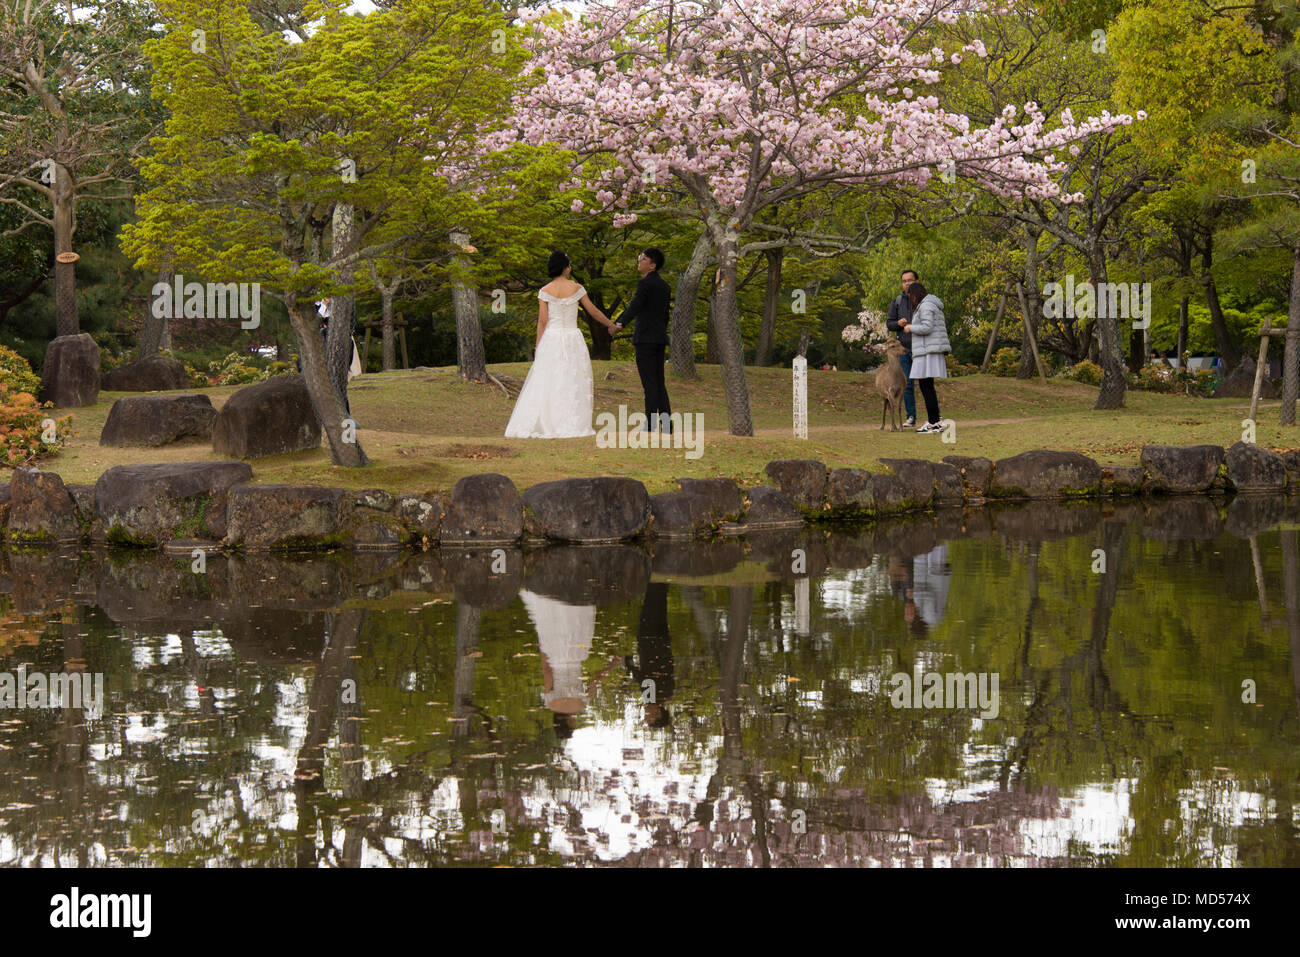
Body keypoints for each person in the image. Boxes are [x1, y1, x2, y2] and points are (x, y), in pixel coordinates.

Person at [505, 250, 618, 438]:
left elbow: (542, 321)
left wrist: (538, 346)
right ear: (566, 267)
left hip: (552, 338)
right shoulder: (576, 288)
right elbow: (593, 311)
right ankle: (570, 421)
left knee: (549, 379)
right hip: (572, 337)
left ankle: (550, 420)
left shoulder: (545, 291)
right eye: (569, 264)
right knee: (572, 378)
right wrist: (610, 325)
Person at [613, 247, 672, 433]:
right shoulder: (665, 286)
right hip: (659, 338)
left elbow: (635, 305)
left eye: (643, 258)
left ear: (652, 265)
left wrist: (620, 322)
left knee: (649, 383)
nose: (639, 260)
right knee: (659, 382)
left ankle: (650, 425)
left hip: (645, 338)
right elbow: (664, 316)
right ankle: (667, 424)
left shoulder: (645, 284)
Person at [899, 280, 950, 434]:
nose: (911, 300)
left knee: (926, 386)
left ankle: (934, 422)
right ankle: (935, 421)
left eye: (911, 296)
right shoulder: (929, 304)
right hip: (928, 349)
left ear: (916, 294)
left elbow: (928, 326)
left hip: (928, 351)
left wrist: (910, 327)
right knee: (927, 386)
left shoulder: (926, 305)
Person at [886, 269, 920, 428]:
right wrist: (898, 323)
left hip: (922, 348)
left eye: (910, 280)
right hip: (904, 349)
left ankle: (934, 419)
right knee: (907, 384)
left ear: (917, 282)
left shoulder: (924, 301)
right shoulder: (897, 301)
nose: (907, 283)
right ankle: (911, 417)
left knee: (927, 384)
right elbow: (889, 323)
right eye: (904, 281)